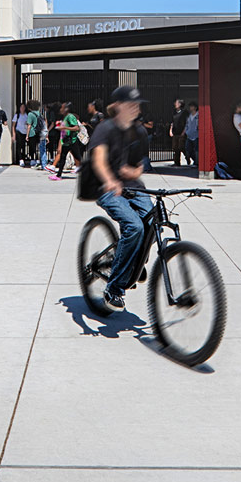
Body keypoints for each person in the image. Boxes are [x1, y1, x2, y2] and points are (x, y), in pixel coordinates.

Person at [84, 85, 154, 314]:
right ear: (116, 107)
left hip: (133, 187)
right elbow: (99, 160)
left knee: (153, 222)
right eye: (130, 104)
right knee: (134, 226)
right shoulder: (104, 129)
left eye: (137, 104)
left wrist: (135, 171)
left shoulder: (139, 132)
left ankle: (133, 262)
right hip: (106, 188)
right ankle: (114, 288)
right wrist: (110, 179)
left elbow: (140, 162)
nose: (135, 108)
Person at [51, 104, 84, 180]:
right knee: (63, 157)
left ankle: (89, 173)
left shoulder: (70, 116)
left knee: (78, 157)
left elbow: (76, 128)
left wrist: (64, 127)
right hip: (67, 141)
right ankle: (58, 175)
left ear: (67, 109)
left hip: (72, 141)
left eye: (62, 108)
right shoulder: (65, 117)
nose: (60, 109)